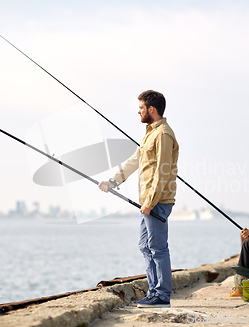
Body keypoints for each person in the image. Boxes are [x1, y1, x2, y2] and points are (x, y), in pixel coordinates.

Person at [98, 90, 179, 308]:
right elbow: (135, 160)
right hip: (148, 202)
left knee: (158, 248)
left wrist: (150, 202)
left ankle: (162, 295)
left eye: (141, 108)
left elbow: (162, 172)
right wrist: (113, 181)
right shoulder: (150, 133)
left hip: (157, 202)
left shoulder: (163, 134)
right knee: (145, 245)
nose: (139, 111)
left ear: (151, 109)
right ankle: (154, 292)